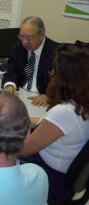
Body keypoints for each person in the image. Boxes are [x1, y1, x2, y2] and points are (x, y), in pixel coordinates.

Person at [22, 44, 89, 201]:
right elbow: (58, 128)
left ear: (63, 76)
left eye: (54, 69)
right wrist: (24, 120)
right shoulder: (81, 104)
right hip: (65, 176)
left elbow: (25, 149)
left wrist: (5, 126)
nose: (51, 73)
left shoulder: (63, 112)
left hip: (50, 181)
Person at [2, 16, 58, 106]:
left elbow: (63, 84)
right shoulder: (17, 48)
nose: (24, 42)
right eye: (21, 36)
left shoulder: (56, 52)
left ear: (41, 35)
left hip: (41, 100)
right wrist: (10, 85)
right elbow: (11, 72)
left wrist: (49, 96)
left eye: (29, 37)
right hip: (20, 94)